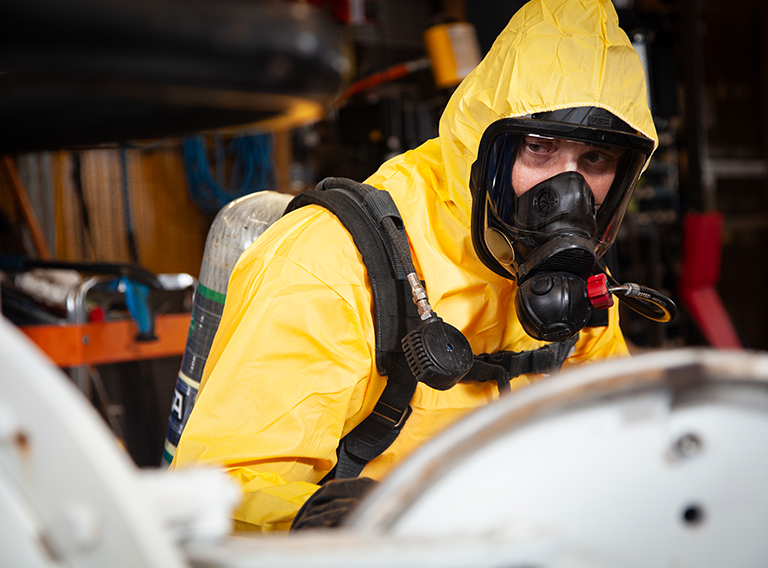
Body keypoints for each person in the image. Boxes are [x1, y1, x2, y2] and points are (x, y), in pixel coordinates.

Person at [171, 0, 658, 532]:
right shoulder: (334, 261)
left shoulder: (576, 285)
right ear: (484, 147)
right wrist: (349, 528)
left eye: (596, 161)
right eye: (539, 148)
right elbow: (220, 497)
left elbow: (617, 447)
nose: (568, 195)